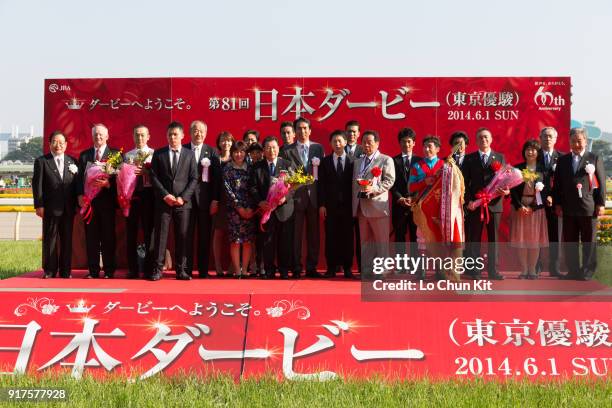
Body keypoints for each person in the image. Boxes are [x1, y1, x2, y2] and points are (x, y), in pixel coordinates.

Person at [553, 127, 606, 280]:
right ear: (569, 142)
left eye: (579, 141)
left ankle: (587, 271)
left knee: (589, 241)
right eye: (573, 141)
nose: (576, 144)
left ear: (585, 141)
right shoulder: (563, 160)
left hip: (588, 208)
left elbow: (601, 183)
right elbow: (557, 184)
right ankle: (573, 271)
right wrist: (558, 204)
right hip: (568, 208)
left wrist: (600, 204)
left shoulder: (594, 158)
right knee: (570, 241)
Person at [409, 136, 465, 281]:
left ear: (438, 149)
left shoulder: (445, 165)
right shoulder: (417, 166)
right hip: (423, 208)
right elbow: (410, 187)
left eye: (430, 146)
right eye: (425, 146)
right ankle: (421, 271)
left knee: (441, 239)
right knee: (422, 238)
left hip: (442, 209)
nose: (427, 149)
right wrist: (424, 182)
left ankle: (442, 271)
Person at [149, 121, 198, 281]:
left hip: (183, 204)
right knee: (161, 237)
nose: (172, 137)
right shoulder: (159, 153)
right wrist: (165, 195)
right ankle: (157, 270)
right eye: (170, 134)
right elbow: (154, 177)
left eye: (175, 134)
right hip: (164, 202)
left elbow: (194, 178)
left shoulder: (189, 155)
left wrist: (182, 197)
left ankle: (181, 270)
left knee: (182, 237)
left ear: (182, 136)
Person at [462, 128, 508, 280]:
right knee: (474, 238)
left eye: (486, 137)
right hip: (475, 205)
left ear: (491, 139)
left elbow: (506, 180)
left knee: (493, 239)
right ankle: (474, 270)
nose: (484, 140)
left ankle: (493, 271)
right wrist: (468, 201)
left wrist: (506, 191)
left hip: (494, 205)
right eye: (480, 138)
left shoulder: (500, 157)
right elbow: (464, 183)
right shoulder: (469, 159)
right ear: (476, 141)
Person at [281, 117, 324, 278]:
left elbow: (322, 174)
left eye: (305, 128)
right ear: (294, 131)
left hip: (314, 197)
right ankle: (297, 267)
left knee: (314, 235)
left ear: (310, 130)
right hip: (296, 198)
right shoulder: (286, 150)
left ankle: (312, 267)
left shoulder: (318, 148)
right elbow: (284, 176)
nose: (302, 131)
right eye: (299, 128)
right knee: (296, 235)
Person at [33, 131, 78, 279]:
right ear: (49, 144)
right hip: (50, 208)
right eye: (54, 142)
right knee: (50, 240)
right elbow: (37, 185)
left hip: (68, 208)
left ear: (65, 145)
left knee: (67, 240)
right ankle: (50, 270)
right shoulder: (42, 161)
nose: (58, 145)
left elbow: (77, 185)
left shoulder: (73, 161)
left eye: (61, 142)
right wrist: (39, 205)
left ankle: (66, 271)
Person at [77, 124, 120, 279]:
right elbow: (78, 179)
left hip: (107, 204)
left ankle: (109, 270)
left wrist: (108, 184)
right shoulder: (84, 155)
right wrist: (80, 195)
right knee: (91, 238)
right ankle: (93, 270)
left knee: (108, 237)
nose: (98, 137)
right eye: (95, 134)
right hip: (90, 204)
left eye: (101, 134)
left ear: (107, 136)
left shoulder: (115, 155)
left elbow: (121, 180)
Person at [249, 136, 295, 279]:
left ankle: (283, 270)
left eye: (274, 147)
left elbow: (294, 187)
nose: (271, 150)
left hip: (284, 209)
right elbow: (252, 187)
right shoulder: (257, 166)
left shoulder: (287, 164)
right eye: (268, 148)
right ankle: (268, 269)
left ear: (278, 148)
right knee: (267, 241)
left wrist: (284, 197)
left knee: (285, 241)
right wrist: (260, 202)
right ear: (264, 150)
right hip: (266, 209)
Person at [352, 130, 395, 277]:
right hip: (361, 206)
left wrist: (374, 189)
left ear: (377, 143)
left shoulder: (385, 160)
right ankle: (366, 270)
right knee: (365, 241)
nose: (366, 145)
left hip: (377, 206)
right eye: (363, 142)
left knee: (381, 241)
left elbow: (389, 181)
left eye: (369, 142)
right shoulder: (358, 161)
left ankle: (383, 271)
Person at [183, 120, 221, 278]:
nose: (198, 134)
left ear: (205, 133)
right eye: (195, 131)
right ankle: (185, 270)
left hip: (205, 201)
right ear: (190, 133)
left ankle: (203, 271)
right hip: (186, 200)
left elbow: (217, 179)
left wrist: (215, 200)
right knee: (186, 236)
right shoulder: (183, 149)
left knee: (204, 236)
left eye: (201, 131)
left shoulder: (211, 152)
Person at [509, 140, 549, 279]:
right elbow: (512, 190)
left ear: (538, 153)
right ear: (524, 152)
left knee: (534, 240)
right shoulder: (517, 168)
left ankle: (532, 270)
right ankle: (524, 270)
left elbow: (546, 191)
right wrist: (520, 206)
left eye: (533, 149)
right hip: (520, 207)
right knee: (522, 240)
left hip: (536, 209)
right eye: (528, 149)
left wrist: (532, 207)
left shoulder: (543, 169)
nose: (530, 152)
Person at [318, 130, 355, 278]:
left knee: (347, 237)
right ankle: (331, 268)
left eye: (340, 141)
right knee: (331, 237)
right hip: (330, 206)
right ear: (330, 144)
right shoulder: (325, 162)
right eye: (334, 141)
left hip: (348, 206)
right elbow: (321, 185)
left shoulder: (353, 161)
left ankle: (347, 268)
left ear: (346, 142)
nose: (337, 144)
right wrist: (322, 204)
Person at [123, 125, 155, 279]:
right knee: (131, 234)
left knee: (150, 233)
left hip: (149, 198)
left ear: (148, 136)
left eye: (143, 135)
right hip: (132, 198)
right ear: (133, 136)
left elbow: (158, 177)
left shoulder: (154, 154)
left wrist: (146, 172)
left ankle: (150, 269)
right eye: (137, 135)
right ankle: (132, 269)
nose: (140, 138)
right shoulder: (127, 156)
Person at [223, 141, 256, 277]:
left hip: (250, 209)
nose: (239, 154)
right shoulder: (227, 169)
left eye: (242, 152)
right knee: (235, 241)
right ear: (232, 153)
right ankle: (237, 270)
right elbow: (227, 189)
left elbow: (255, 187)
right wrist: (239, 207)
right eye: (236, 152)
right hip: (234, 210)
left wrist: (250, 208)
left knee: (247, 241)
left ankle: (245, 270)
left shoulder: (251, 168)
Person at [536, 126, 564, 277]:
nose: (547, 139)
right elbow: (531, 178)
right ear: (540, 138)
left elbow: (564, 183)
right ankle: (536, 266)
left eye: (550, 136)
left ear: (555, 139)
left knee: (555, 236)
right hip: (537, 202)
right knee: (537, 235)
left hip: (555, 204)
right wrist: (544, 195)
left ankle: (554, 267)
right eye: (545, 136)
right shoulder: (533, 156)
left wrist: (553, 197)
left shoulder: (563, 158)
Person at [391, 128, 421, 246]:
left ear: (414, 143)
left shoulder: (420, 161)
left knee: (416, 238)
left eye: (409, 141)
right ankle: (400, 264)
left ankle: (415, 264)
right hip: (399, 205)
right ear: (399, 143)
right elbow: (390, 183)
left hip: (415, 206)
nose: (406, 144)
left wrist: (414, 198)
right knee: (399, 238)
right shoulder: (392, 161)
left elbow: (422, 183)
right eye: (403, 141)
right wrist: (399, 198)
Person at [212, 131, 234, 276]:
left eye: (228, 141)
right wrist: (214, 200)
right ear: (219, 143)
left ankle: (233, 266)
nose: (226, 143)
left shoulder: (237, 158)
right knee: (218, 233)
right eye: (223, 141)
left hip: (234, 201)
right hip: (218, 200)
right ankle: (218, 265)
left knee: (235, 233)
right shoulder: (214, 159)